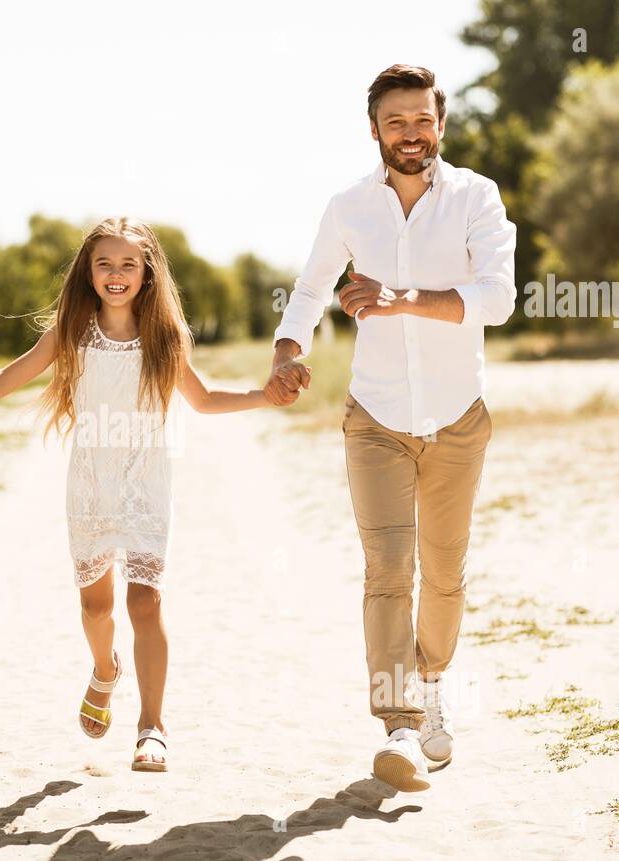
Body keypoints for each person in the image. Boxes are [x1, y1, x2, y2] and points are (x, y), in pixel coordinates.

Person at [0, 217, 286, 771]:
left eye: (128, 264)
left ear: (147, 272)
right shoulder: (73, 331)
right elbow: (2, 383)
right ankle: (104, 670)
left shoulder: (167, 334)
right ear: (88, 272)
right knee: (96, 606)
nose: (116, 274)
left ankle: (152, 727)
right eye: (105, 263)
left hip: (147, 481)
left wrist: (266, 395)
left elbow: (207, 397)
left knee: (145, 600)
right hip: (91, 484)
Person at [268, 65, 516, 792]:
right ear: (374, 129)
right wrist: (288, 352)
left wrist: (398, 297)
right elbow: (311, 288)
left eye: (423, 120)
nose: (411, 135)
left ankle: (431, 679)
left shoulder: (477, 197)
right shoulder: (350, 206)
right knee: (387, 574)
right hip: (374, 418)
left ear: (441, 124)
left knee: (444, 574)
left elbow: (496, 300)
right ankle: (400, 725)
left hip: (457, 417)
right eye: (396, 122)